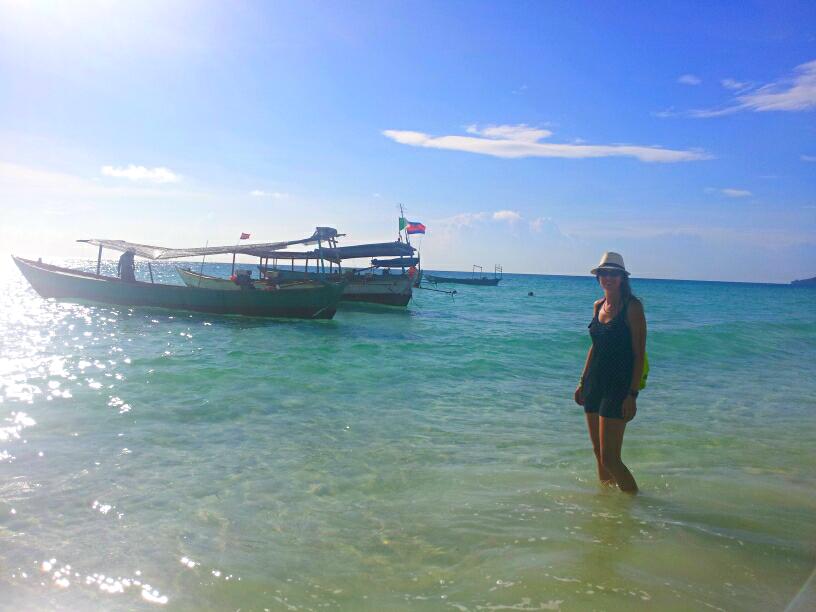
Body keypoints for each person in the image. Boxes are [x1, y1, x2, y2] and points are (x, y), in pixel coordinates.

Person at [574, 252, 646, 493]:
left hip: (618, 387)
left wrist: (632, 395)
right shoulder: (597, 306)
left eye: (614, 273)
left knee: (611, 458)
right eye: (604, 273)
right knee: (598, 453)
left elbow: (638, 354)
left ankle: (636, 507)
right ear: (598, 278)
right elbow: (595, 347)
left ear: (622, 278)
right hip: (595, 383)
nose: (608, 277)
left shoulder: (632, 307)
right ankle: (608, 509)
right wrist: (582, 382)